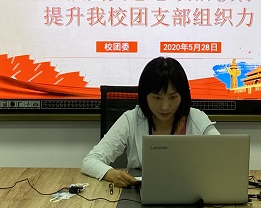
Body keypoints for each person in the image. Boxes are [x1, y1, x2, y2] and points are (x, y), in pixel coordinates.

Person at [81, 56, 220, 187]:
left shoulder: (196, 118)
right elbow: (90, 161)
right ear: (144, 96)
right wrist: (111, 174)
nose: (165, 107)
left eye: (173, 97)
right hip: (139, 195)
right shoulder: (131, 119)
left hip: (190, 192)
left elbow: (224, 158)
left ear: (183, 95)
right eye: (156, 98)